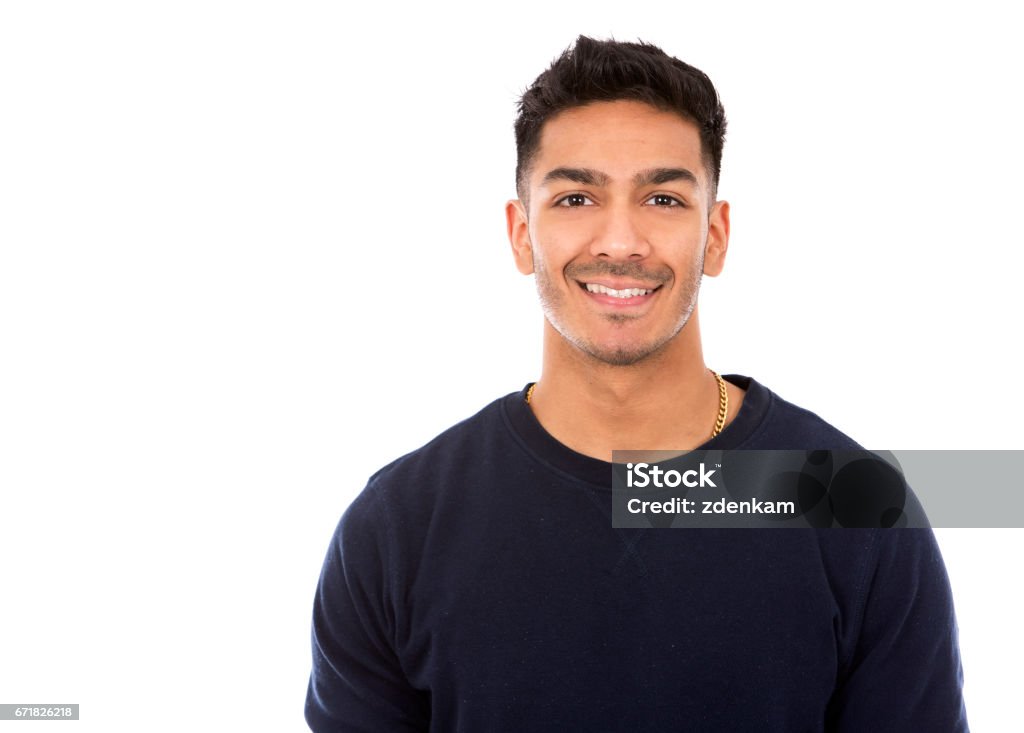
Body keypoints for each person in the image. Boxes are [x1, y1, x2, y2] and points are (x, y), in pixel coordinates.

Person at [304, 36, 968, 731]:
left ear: (715, 235)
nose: (619, 241)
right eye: (576, 197)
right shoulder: (397, 528)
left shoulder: (855, 509)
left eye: (661, 197)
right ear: (521, 232)